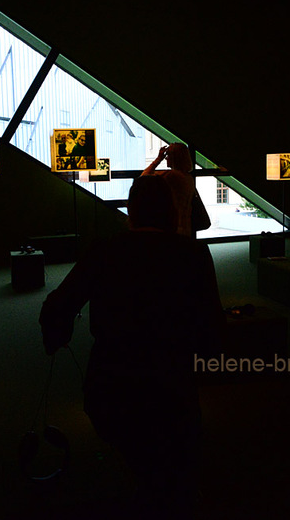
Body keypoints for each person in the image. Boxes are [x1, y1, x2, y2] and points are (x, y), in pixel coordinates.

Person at [39, 174, 224, 516]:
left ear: (132, 210)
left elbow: (56, 307)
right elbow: (212, 326)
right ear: (171, 211)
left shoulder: (105, 250)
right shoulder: (194, 254)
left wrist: (57, 338)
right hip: (173, 388)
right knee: (172, 453)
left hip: (111, 387)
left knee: (137, 450)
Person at [141, 142, 209, 236]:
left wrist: (158, 159)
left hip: (173, 229)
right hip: (185, 229)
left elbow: (143, 177)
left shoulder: (171, 176)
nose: (166, 158)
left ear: (174, 157)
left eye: (168, 155)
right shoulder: (188, 178)